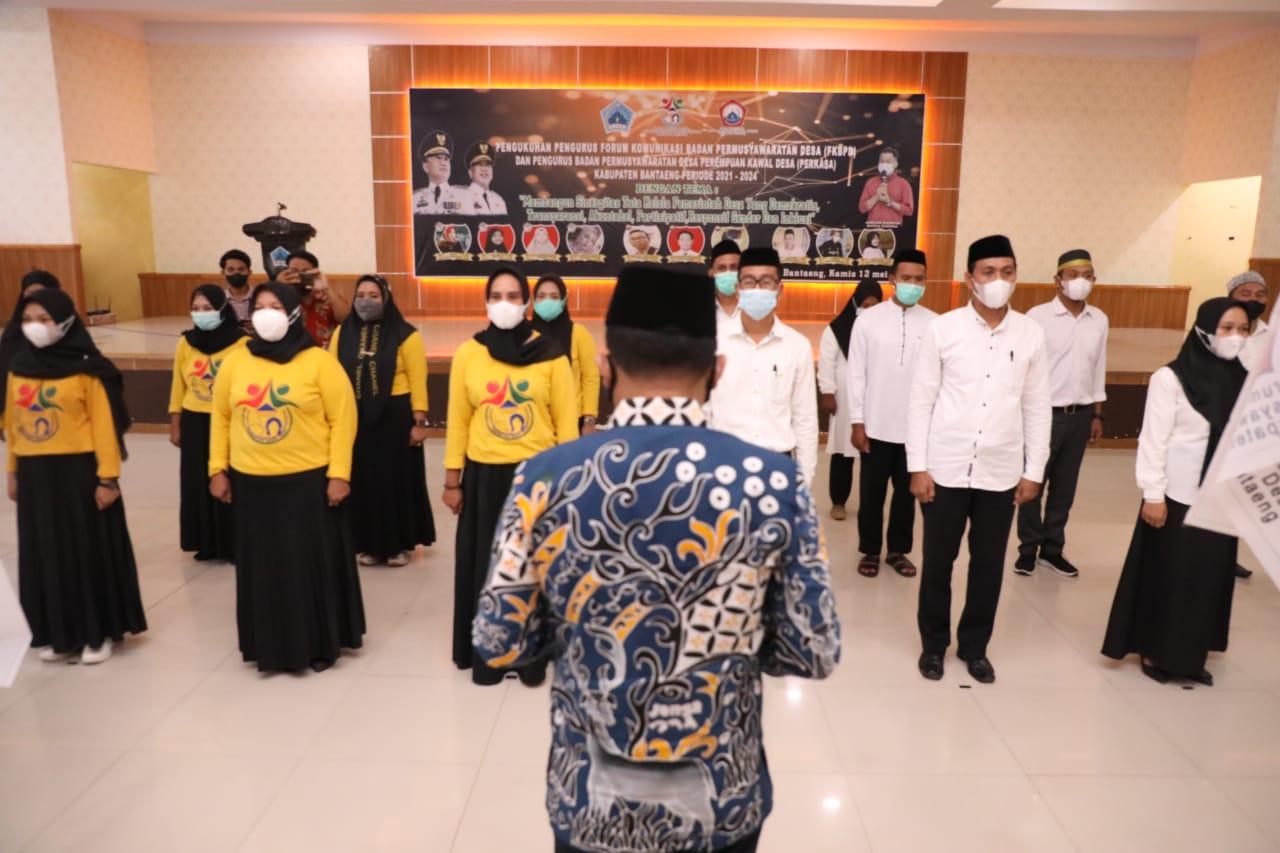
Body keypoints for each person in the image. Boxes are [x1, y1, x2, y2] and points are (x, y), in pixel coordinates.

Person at [472, 265, 840, 853]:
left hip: (590, 801)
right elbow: (814, 648)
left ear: (606, 366)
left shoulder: (545, 477)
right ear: (717, 370)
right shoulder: (772, 481)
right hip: (722, 800)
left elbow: (498, 641)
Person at [907, 235, 1050, 683]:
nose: (998, 280)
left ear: (1016, 275)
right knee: (938, 563)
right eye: (988, 272)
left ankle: (975, 647)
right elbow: (921, 401)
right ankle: (934, 646)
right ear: (970, 279)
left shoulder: (1030, 334)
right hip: (945, 468)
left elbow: (1037, 406)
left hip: (1000, 471)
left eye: (1006, 272)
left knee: (988, 566)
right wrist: (917, 466)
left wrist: (1033, 471)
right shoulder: (943, 329)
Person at [209, 282, 364, 673]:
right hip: (252, 483)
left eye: (276, 306)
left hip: (307, 483)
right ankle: (268, 645)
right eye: (260, 307)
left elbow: (343, 419)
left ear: (294, 313)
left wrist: (339, 474)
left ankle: (317, 643)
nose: (267, 314)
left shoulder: (319, 362)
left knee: (308, 568)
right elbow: (221, 418)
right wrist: (217, 468)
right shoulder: (236, 362)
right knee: (264, 569)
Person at [1102, 297, 1249, 686]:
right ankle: (1155, 650)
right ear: (1204, 330)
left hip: (1221, 497)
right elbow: (1154, 439)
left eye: (1242, 329)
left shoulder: (1243, 379)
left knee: (1208, 578)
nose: (1235, 337)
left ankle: (1190, 654)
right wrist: (1153, 494)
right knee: (1171, 576)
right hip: (1177, 495)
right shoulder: (1170, 378)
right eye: (1226, 328)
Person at [443, 267, 577, 686]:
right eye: (496, 296)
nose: (504, 304)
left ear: (526, 303)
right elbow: (458, 420)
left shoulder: (551, 353)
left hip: (537, 479)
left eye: (513, 296)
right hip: (484, 477)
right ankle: (488, 654)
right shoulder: (469, 354)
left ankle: (529, 655)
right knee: (486, 567)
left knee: (529, 569)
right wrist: (452, 480)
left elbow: (566, 422)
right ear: (486, 302)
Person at [6, 288, 141, 665]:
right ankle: (59, 633)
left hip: (78, 472)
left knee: (84, 553)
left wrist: (108, 479)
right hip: (36, 474)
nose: (35, 326)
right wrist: (12, 471)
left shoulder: (86, 368)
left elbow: (103, 427)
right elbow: (15, 426)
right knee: (46, 554)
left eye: (44, 319)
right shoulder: (19, 367)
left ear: (65, 323)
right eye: (28, 319)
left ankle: (96, 633)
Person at [331, 275, 436, 568]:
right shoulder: (342, 333)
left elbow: (418, 380)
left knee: (393, 482)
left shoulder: (406, 335)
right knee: (364, 479)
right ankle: (368, 543)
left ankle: (397, 545)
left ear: (386, 299)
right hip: (357, 416)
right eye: (361, 295)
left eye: (374, 296)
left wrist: (419, 421)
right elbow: (332, 376)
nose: (366, 301)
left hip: (395, 418)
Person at [1015, 249, 1109, 578]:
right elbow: (1024, 369)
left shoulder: (1099, 320)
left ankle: (1052, 549)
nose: (1080, 281)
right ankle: (1028, 549)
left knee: (1065, 488)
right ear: (1058, 280)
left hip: (1081, 415)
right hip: (1043, 414)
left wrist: (1097, 414)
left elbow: (1099, 368)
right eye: (1073, 275)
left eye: (1087, 275)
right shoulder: (1037, 317)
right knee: (1033, 482)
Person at [848, 249, 938, 578]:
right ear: (892, 279)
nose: (913, 284)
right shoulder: (868, 320)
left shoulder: (935, 323)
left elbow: (938, 379)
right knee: (871, 495)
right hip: (875, 424)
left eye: (919, 279)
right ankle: (870, 551)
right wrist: (857, 421)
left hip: (916, 429)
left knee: (906, 495)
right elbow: (856, 373)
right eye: (906, 278)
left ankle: (898, 551)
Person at [709, 247, 819, 486]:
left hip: (778, 466)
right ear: (738, 288)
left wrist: (804, 481)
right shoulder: (714, 341)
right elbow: (703, 410)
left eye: (766, 282)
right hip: (724, 463)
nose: (757, 289)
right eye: (749, 282)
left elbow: (805, 420)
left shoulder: (797, 346)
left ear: (780, 289)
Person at [168, 284, 248, 562]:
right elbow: (178, 386)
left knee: (229, 479)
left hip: (228, 420)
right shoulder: (185, 343)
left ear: (222, 309)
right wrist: (175, 423)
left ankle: (233, 542)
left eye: (208, 308)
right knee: (198, 481)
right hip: (195, 420)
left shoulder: (241, 343)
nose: (201, 314)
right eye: (195, 309)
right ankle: (206, 541)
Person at [819, 280, 882, 523]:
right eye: (865, 305)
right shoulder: (836, 329)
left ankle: (870, 506)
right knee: (842, 453)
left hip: (875, 400)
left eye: (875, 306)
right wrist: (827, 391)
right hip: (845, 401)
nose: (870, 310)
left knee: (873, 457)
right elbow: (827, 362)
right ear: (856, 303)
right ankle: (838, 502)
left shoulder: (884, 330)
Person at [1226, 270, 1268, 578]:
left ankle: (1227, 555)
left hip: (1256, 428)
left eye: (1260, 295)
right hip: (1221, 424)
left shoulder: (1272, 335)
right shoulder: (1221, 330)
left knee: (1240, 497)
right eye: (1246, 294)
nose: (1253, 300)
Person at [531, 275, 601, 434]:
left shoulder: (579, 334)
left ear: (563, 300)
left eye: (554, 297)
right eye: (541, 296)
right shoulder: (525, 334)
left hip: (571, 422)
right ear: (534, 300)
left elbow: (590, 378)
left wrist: (589, 420)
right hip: (533, 422)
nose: (547, 301)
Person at [0, 269, 62, 426]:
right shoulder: (13, 333)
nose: (34, 298)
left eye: (40, 292)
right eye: (29, 293)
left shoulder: (69, 332)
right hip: (20, 410)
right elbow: (4, 373)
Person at [276, 250, 350, 349]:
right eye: (294, 271)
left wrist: (327, 288)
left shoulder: (327, 297)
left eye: (305, 271)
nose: (299, 275)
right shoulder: (280, 299)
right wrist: (278, 287)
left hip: (325, 355)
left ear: (314, 273)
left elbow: (347, 319)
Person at [412, 129, 465, 216]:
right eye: (438, 157)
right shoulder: (414, 199)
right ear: (426, 166)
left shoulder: (464, 196)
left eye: (446, 159)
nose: (443, 163)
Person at [858, 147, 915, 227]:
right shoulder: (870, 182)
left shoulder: (904, 184)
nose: (884, 164)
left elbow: (909, 211)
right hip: (873, 228)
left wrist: (890, 202)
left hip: (894, 228)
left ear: (895, 164)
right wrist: (876, 197)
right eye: (882, 161)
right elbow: (862, 208)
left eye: (888, 161)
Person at [462, 141, 507, 215]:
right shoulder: (462, 197)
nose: (484, 169)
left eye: (488, 165)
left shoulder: (499, 200)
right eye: (479, 164)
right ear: (470, 172)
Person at [708, 239, 741, 327]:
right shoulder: (699, 311)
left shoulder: (756, 308)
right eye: (722, 268)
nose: (728, 273)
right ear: (711, 273)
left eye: (734, 267)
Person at [220, 249, 254, 331]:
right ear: (223, 273)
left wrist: (260, 325)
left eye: (241, 269)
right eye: (231, 269)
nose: (236, 273)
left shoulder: (261, 297)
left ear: (249, 272)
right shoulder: (218, 301)